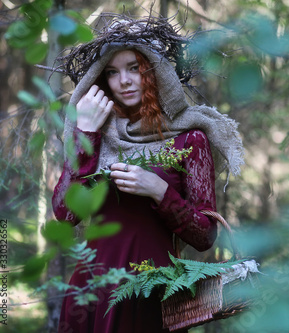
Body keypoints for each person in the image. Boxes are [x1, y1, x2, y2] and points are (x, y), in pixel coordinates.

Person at [52, 15, 244, 333]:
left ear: (154, 72)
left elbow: (205, 236)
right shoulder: (93, 133)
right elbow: (64, 214)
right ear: (101, 81)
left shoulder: (189, 138)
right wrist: (84, 136)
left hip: (153, 292)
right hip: (93, 291)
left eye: (134, 68)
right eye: (112, 72)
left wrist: (159, 191)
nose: (124, 81)